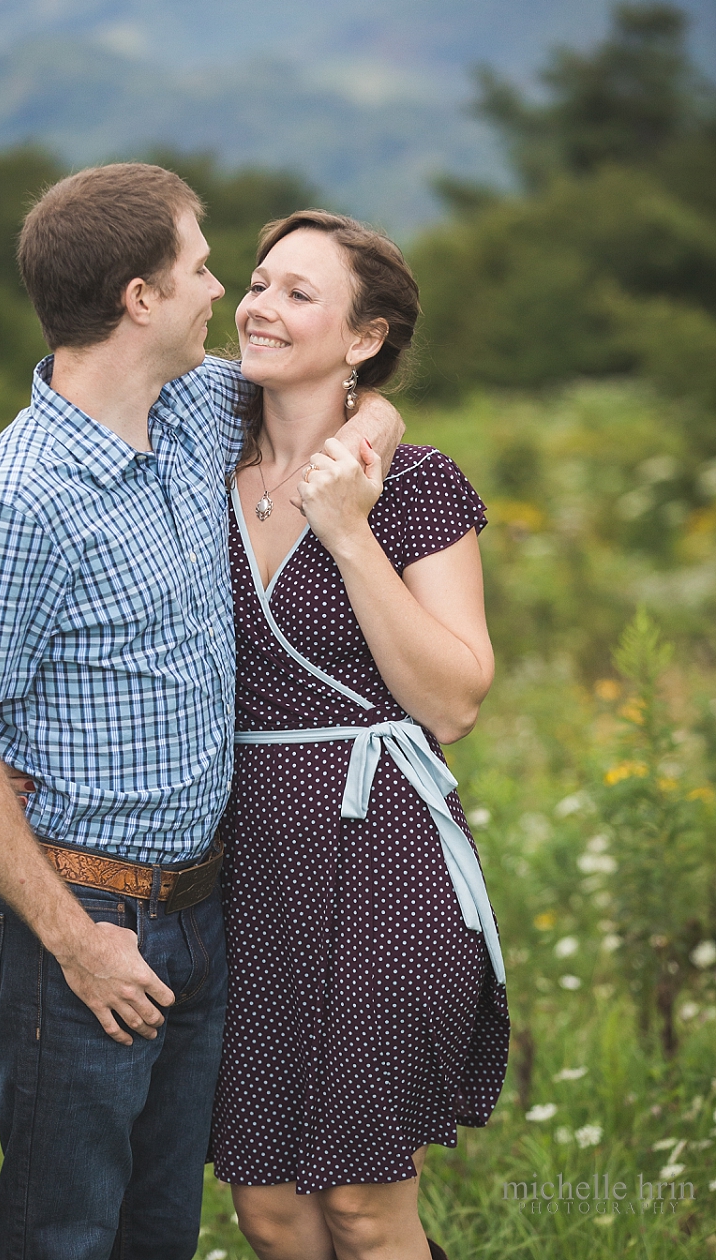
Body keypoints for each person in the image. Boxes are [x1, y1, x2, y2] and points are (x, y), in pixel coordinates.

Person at [0, 164, 402, 1260]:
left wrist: (374, 427)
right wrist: (75, 942)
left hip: (198, 906)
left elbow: (342, 384)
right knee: (65, 1232)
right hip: (78, 916)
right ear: (140, 297)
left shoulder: (189, 409)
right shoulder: (15, 501)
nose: (223, 290)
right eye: (201, 266)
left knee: (157, 1229)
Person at [208, 210, 510, 1260]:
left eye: (299, 293)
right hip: (243, 871)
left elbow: (455, 701)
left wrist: (345, 529)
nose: (259, 308)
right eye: (255, 283)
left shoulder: (416, 487)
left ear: (365, 336)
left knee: (362, 1208)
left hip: (383, 851)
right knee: (271, 1210)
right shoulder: (195, 466)